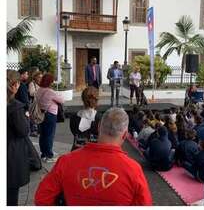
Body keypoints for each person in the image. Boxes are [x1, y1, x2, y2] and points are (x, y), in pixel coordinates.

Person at [35, 107, 153, 205]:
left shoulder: (66, 161)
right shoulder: (133, 170)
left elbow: (42, 198)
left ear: (98, 127)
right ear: (125, 135)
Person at [8, 70, 33, 206]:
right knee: (11, 197)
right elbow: (23, 131)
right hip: (11, 154)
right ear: (15, 85)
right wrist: (26, 118)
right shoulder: (15, 107)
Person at [36, 73, 64, 162]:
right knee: (49, 135)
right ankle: (49, 155)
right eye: (52, 81)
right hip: (50, 114)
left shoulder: (39, 89)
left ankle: (43, 154)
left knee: (43, 134)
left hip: (41, 113)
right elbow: (62, 100)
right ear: (49, 82)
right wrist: (58, 94)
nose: (53, 82)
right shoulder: (50, 92)